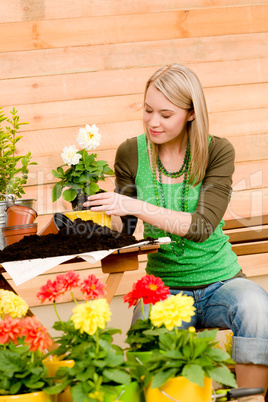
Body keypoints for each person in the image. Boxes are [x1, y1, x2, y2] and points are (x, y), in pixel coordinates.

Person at [84, 64, 268, 400]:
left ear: (191, 114)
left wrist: (136, 206)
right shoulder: (130, 153)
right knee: (150, 327)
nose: (153, 121)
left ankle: (250, 398)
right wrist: (95, 209)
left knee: (255, 304)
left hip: (221, 282)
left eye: (166, 114)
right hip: (164, 287)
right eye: (148, 110)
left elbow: (201, 226)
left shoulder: (217, 151)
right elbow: (125, 230)